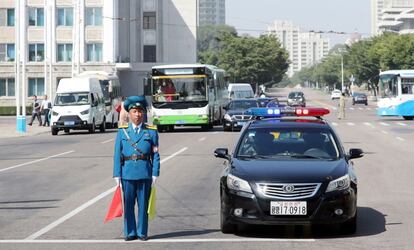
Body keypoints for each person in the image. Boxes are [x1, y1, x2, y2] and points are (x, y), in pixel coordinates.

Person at [113, 96, 160, 241]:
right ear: (129, 113)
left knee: (143, 205)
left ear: (143, 113)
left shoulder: (151, 131)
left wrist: (155, 173)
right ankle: (130, 232)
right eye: (134, 111)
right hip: (127, 173)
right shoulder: (122, 132)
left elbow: (156, 154)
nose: (137, 114)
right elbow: (117, 154)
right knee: (128, 206)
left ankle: (142, 232)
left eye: (140, 111)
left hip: (145, 172)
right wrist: (117, 174)